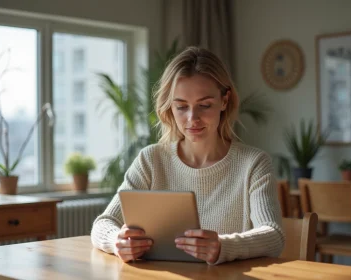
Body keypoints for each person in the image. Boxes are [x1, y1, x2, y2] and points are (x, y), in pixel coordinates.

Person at [91, 46, 285, 265]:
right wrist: (116, 241)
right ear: (170, 107)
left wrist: (223, 246)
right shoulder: (151, 160)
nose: (193, 118)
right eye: (181, 106)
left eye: (204, 105)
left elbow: (273, 236)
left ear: (224, 101)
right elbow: (103, 223)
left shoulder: (254, 164)